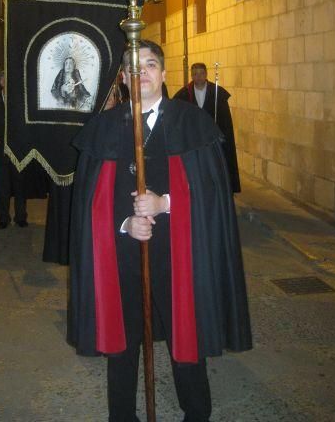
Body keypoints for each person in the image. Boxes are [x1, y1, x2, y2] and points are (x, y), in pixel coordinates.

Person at [68, 40, 252, 422]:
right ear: (122, 78)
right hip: (122, 259)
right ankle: (122, 415)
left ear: (164, 74)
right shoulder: (102, 129)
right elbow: (91, 206)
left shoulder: (193, 124)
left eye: (150, 65)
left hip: (182, 256)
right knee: (123, 343)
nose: (142, 74)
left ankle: (196, 413)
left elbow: (212, 196)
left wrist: (164, 204)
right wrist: (125, 222)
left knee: (187, 340)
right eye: (133, 68)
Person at [0, 72, 48, 229]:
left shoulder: (21, 102)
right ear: (1, 82)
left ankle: (21, 216)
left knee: (20, 185)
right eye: (7, 80)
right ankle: (3, 218)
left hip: (19, 151)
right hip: (0, 151)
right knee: (2, 187)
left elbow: (29, 126)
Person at [173, 62, 241, 193]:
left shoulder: (217, 94)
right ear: (192, 76)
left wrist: (221, 136)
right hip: (193, 143)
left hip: (212, 141)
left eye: (201, 73)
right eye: (195, 74)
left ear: (206, 74)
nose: (198, 77)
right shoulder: (184, 95)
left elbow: (225, 121)